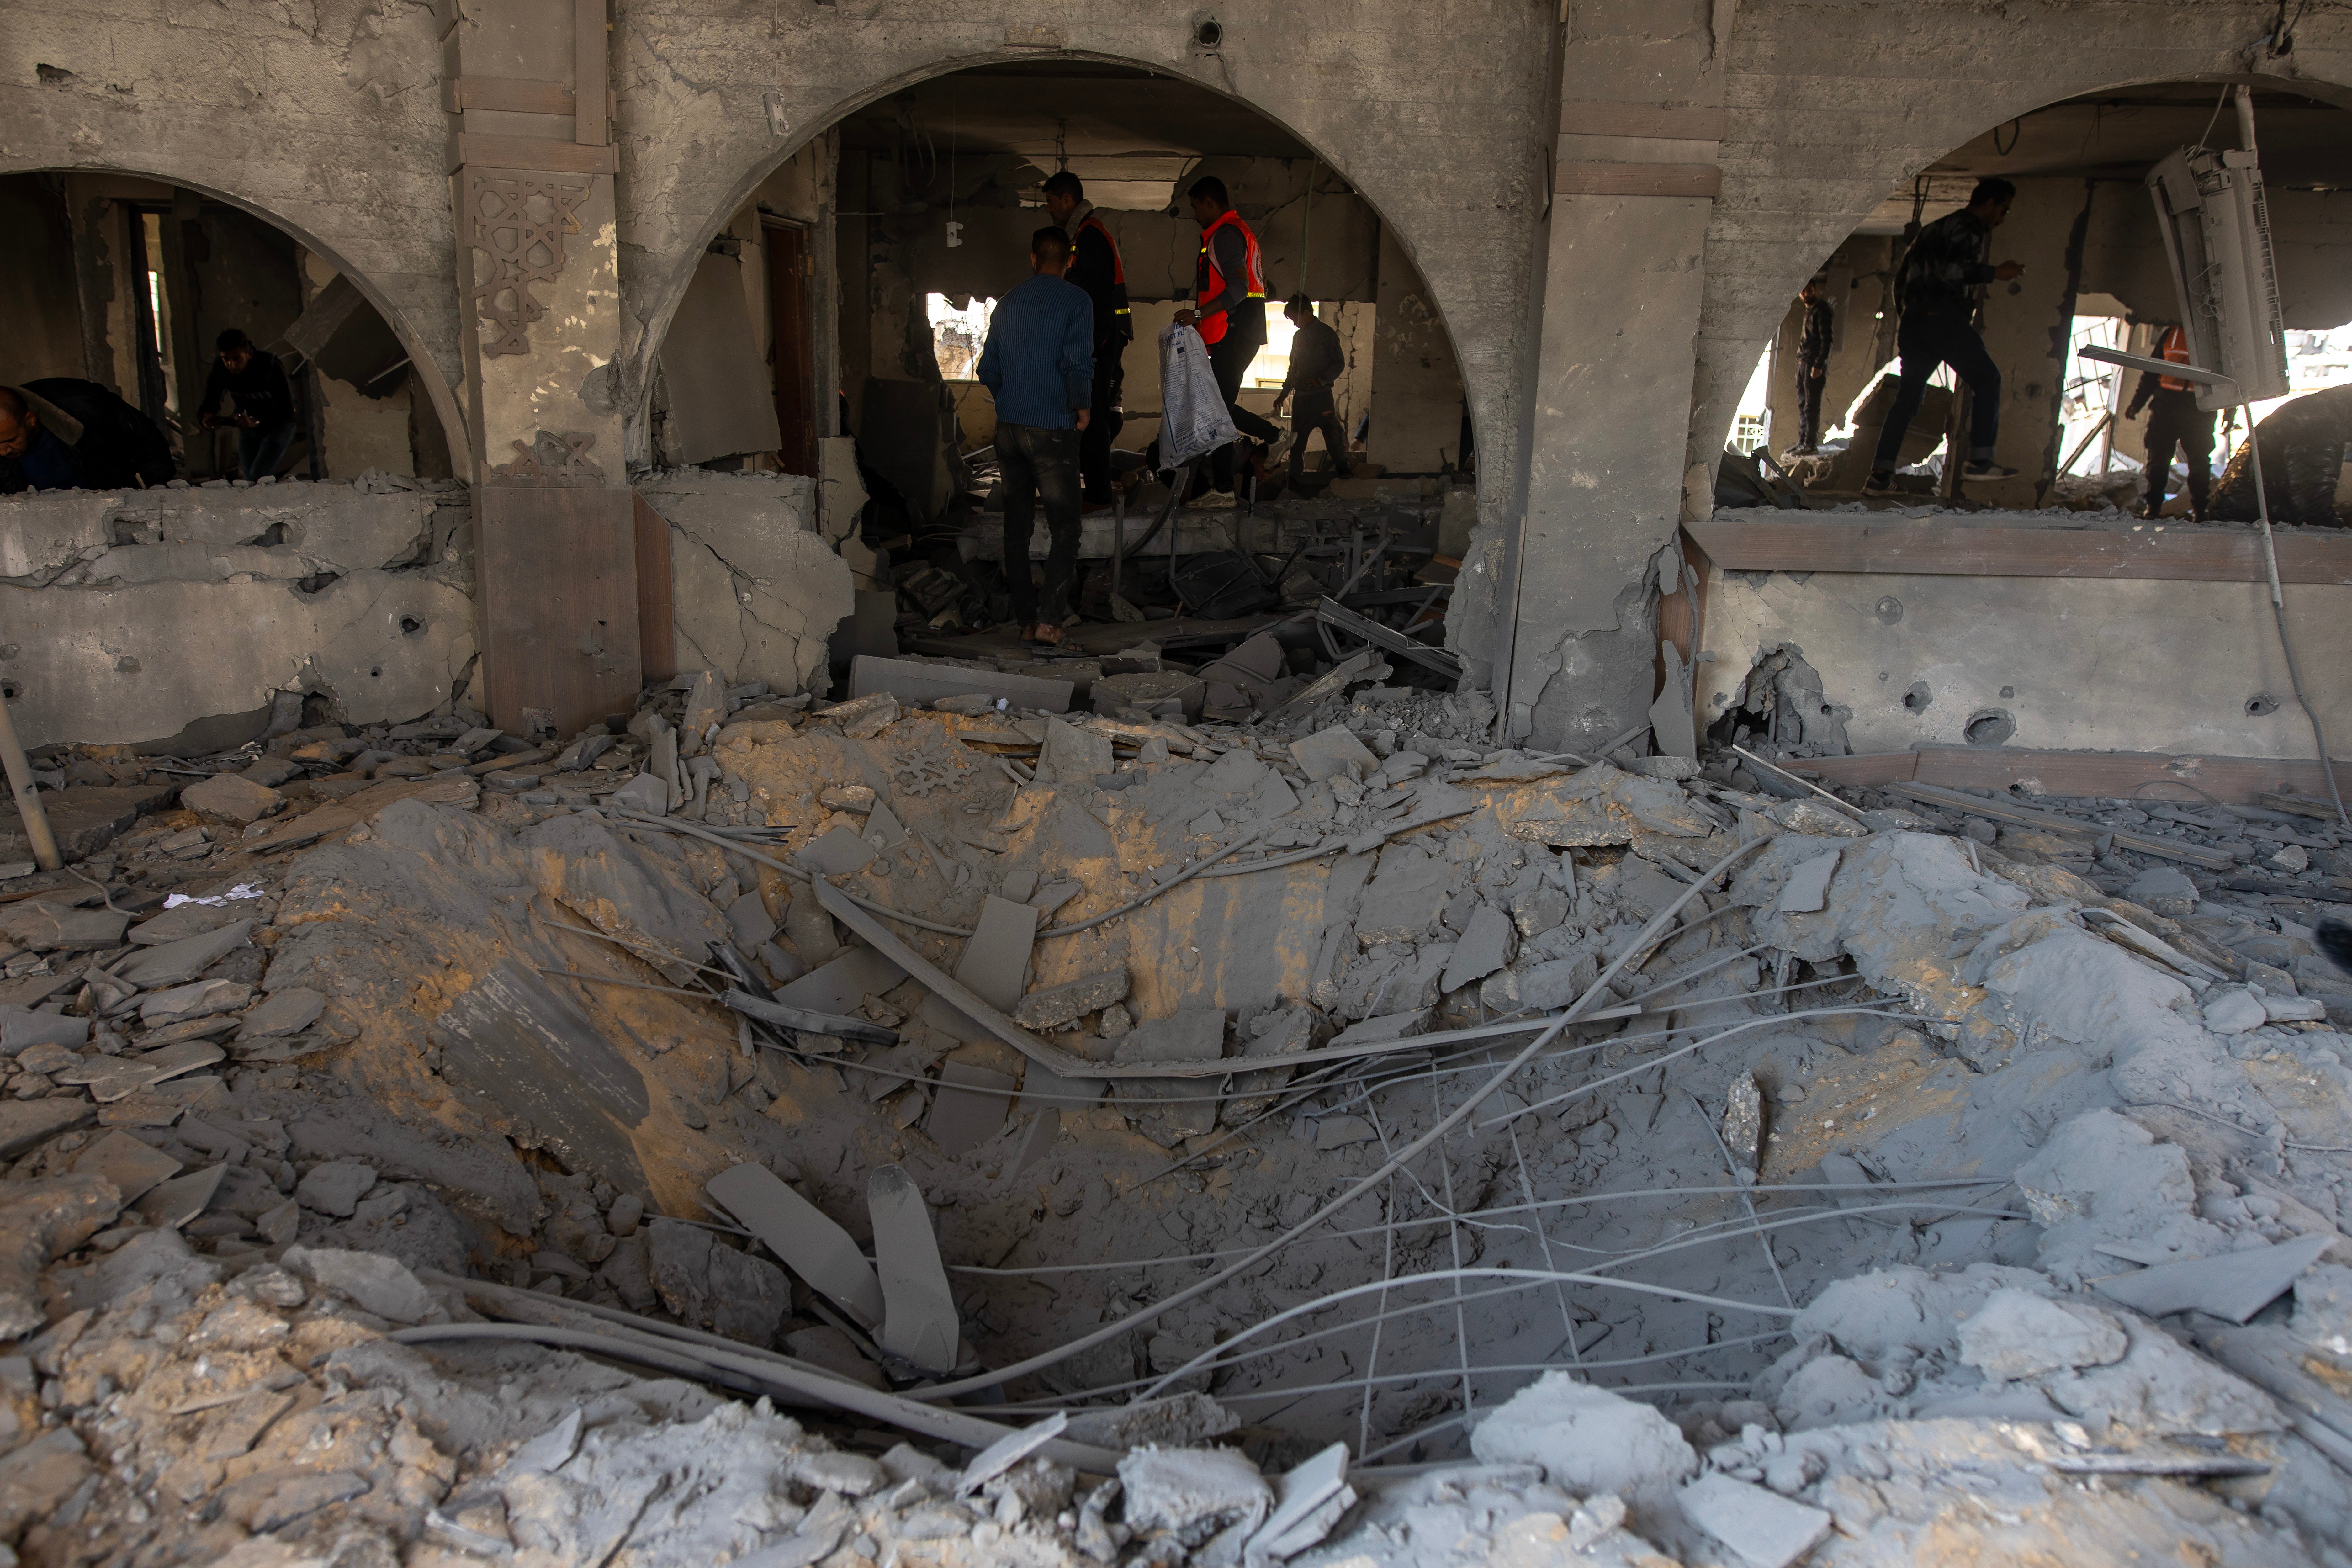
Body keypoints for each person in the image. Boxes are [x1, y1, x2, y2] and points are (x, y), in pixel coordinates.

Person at [1863, 178, 2027, 496]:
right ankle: (1980, 462)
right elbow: (1954, 271)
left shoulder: (1934, 230)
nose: (2002, 218)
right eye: (2003, 210)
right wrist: (1995, 273)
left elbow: (1901, 281)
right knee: (1988, 380)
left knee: (1908, 399)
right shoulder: (1970, 226)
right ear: (1990, 203)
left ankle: (1879, 476)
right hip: (1943, 319)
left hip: (1914, 323)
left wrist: (1911, 320)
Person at [975, 226, 1095, 648]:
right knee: (1066, 528)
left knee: (1017, 528)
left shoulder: (1007, 304)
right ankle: (1048, 623)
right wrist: (1082, 408)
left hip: (1009, 430)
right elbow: (1079, 362)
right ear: (1070, 260)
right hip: (1053, 429)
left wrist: (1009, 400)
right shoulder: (1077, 301)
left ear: (1032, 258)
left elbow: (987, 370)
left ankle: (1026, 622)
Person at [1173, 175, 1281, 493]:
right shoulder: (1240, 233)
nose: (1195, 214)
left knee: (1217, 414)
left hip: (1233, 333)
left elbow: (1238, 289)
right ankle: (1271, 437)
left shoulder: (1226, 236)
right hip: (1238, 332)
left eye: (1196, 207)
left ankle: (1222, 491)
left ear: (1210, 203)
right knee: (1219, 407)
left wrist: (1197, 315)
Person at [1041, 171, 1131, 510]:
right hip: (1097, 339)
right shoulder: (1082, 234)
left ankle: (1098, 496)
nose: (1049, 209)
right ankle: (1096, 490)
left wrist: (1088, 350)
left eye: (1051, 202)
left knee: (1093, 419)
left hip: (1100, 341)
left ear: (1067, 200)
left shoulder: (1091, 235)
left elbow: (1098, 299)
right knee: (1091, 418)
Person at [2207, 384, 2352, 528]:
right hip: (2250, 524)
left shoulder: (2318, 408)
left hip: (2247, 514)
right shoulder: (2319, 426)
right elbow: (2314, 508)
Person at [0, 379, 173, 494]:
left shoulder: (84, 406)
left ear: (31, 420)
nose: (3, 451)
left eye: (10, 441)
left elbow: (147, 440)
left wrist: (154, 492)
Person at [2123, 324, 2214, 520]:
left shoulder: (2211, 337)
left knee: (2196, 463)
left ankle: (2199, 510)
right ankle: (2155, 509)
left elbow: (2225, 378)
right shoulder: (2173, 335)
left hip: (2197, 411)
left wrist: (2230, 413)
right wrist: (2136, 404)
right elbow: (2151, 373)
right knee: (2160, 462)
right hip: (2172, 410)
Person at [1269, 295, 1353, 482]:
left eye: (1296, 320)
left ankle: (1344, 468)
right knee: (1297, 440)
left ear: (1307, 314)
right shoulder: (1298, 337)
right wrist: (1284, 393)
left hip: (1322, 397)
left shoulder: (1327, 334)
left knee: (1332, 435)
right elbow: (1294, 368)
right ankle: (1295, 476)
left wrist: (1322, 380)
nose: (1295, 325)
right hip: (1301, 399)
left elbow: (1339, 364)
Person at [199, 328, 298, 481]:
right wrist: (206, 415)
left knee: (258, 476)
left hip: (278, 426)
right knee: (250, 480)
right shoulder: (221, 367)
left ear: (250, 354)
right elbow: (212, 397)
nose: (231, 365)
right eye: (226, 359)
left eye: (237, 359)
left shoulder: (271, 367)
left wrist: (257, 422)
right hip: (248, 428)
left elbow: (287, 412)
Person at [1791, 277, 1833, 455]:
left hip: (1813, 364)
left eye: (1809, 290)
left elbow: (1827, 341)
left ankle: (1810, 444)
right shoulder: (1810, 310)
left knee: (1811, 405)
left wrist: (1819, 365)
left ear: (1815, 290)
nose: (1806, 294)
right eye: (1803, 291)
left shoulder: (1822, 310)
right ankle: (1803, 442)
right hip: (1803, 362)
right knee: (1803, 404)